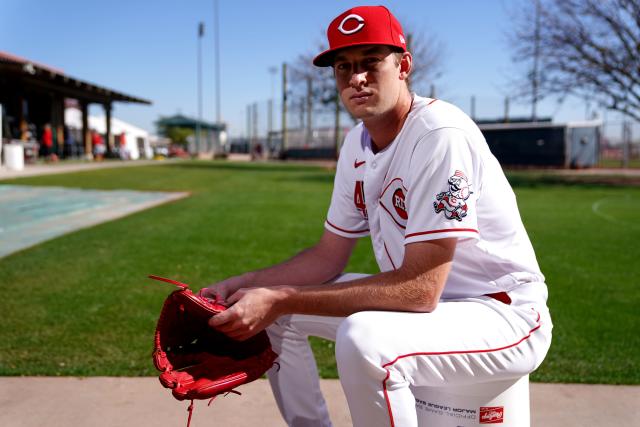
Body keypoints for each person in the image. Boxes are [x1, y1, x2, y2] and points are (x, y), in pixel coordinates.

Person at [202, 6, 552, 427]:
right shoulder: (356, 144)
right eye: (343, 67)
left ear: (403, 65)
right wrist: (244, 287)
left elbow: (420, 290)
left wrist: (282, 297)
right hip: (432, 311)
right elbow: (329, 257)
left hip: (501, 314)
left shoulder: (440, 134)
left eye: (370, 62)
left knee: (363, 341)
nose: (356, 78)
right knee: (277, 316)